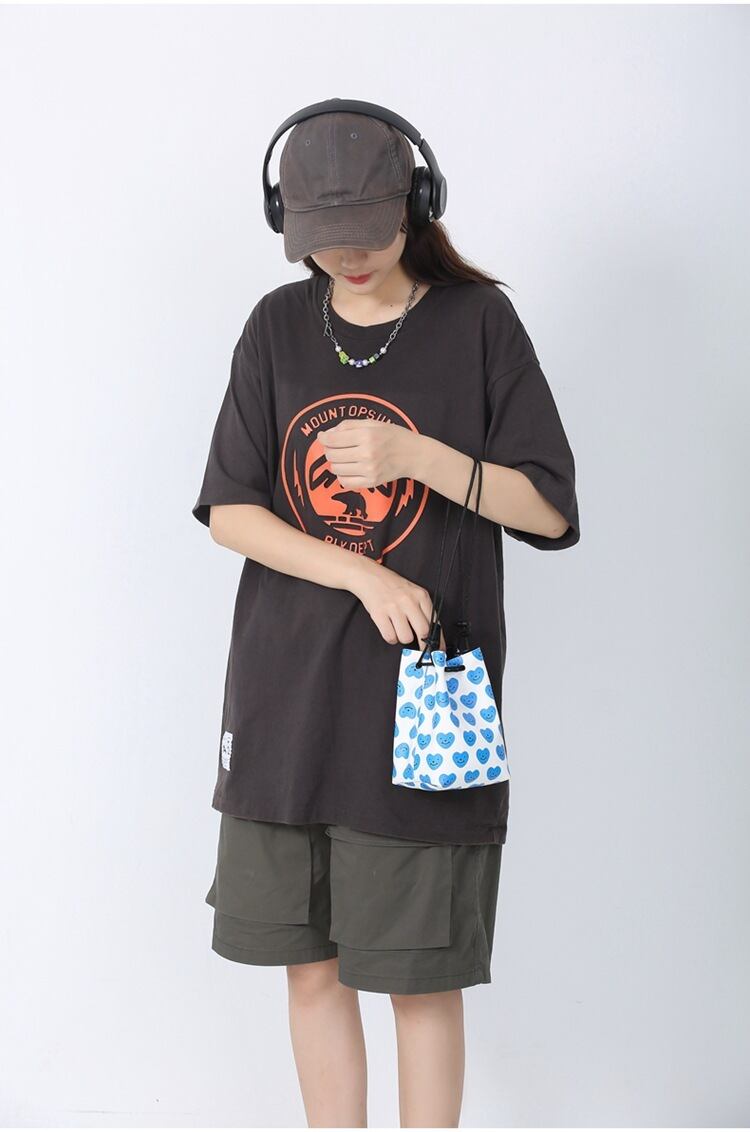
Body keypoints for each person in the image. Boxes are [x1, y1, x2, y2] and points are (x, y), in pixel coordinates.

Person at [191, 106, 580, 1127]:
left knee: (418, 977)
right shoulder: (276, 326)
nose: (348, 258)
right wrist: (362, 577)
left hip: (422, 715)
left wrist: (419, 458)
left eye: (368, 231)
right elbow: (232, 512)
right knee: (311, 969)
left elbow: (547, 508)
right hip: (287, 703)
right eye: (323, 239)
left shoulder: (478, 325)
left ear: (418, 204)